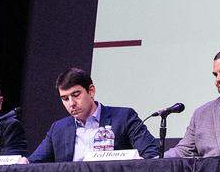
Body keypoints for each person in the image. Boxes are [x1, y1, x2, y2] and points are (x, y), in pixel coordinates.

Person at [28, 67, 159, 161]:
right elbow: (33, 163)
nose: (71, 103)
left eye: (76, 95)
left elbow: (151, 154)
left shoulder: (124, 118)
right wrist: (24, 162)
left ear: (91, 91)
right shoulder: (58, 128)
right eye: (65, 98)